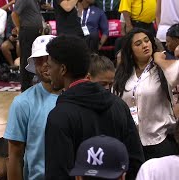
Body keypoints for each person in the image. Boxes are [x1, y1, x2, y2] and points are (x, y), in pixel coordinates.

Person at [45, 35, 144, 180]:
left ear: (62, 69)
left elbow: (58, 174)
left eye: (50, 65)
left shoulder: (59, 116)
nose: (48, 71)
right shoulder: (119, 105)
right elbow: (136, 161)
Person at [113, 28, 179, 160]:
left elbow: (175, 75)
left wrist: (159, 60)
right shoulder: (124, 73)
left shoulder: (161, 69)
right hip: (131, 143)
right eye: (138, 44)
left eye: (147, 41)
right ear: (130, 51)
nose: (144, 45)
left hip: (160, 140)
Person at [4, 35, 60, 180]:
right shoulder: (22, 103)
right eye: (40, 60)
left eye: (50, 58)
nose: (46, 64)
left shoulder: (77, 98)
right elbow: (15, 156)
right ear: (34, 64)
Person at [11, 0, 43, 91]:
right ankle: (25, 87)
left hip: (34, 31)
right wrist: (19, 28)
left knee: (33, 58)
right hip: (27, 31)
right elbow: (14, 14)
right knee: (26, 59)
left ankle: (31, 83)